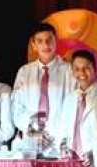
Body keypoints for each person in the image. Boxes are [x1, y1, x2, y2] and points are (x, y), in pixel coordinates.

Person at [11, 22, 74, 150]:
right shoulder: (24, 72)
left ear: (56, 41)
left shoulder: (69, 71)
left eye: (49, 40)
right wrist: (32, 129)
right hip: (30, 139)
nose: (45, 45)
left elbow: (73, 106)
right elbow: (16, 106)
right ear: (34, 45)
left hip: (60, 140)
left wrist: (58, 133)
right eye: (40, 41)